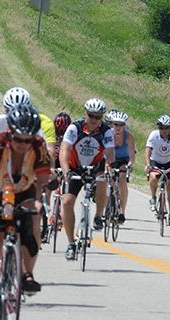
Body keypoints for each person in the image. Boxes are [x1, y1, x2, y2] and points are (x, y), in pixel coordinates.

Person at [0, 104, 51, 320]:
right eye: (18, 139)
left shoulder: (37, 146)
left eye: (27, 140)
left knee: (32, 222)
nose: (22, 144)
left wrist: (39, 199)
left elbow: (43, 177)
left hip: (25, 190)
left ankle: (27, 273)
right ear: (11, 134)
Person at [60, 98, 114, 260]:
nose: (94, 120)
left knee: (103, 179)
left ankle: (98, 216)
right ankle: (71, 244)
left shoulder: (106, 131)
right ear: (86, 114)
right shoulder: (74, 128)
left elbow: (110, 153)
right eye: (91, 116)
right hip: (75, 167)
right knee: (67, 202)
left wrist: (108, 167)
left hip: (96, 166)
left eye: (98, 117)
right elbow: (64, 149)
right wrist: (65, 171)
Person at [145, 115, 170, 226]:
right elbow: (148, 151)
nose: (164, 130)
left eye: (166, 128)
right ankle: (153, 197)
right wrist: (148, 165)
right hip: (155, 161)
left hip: (169, 162)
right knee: (153, 176)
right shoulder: (153, 135)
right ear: (158, 128)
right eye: (161, 128)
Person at [105, 110, 135, 223]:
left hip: (123, 160)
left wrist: (130, 165)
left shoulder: (128, 136)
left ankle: (122, 212)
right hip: (111, 159)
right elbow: (104, 153)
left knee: (122, 180)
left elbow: (132, 154)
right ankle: (107, 207)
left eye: (121, 125)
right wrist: (106, 167)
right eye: (116, 124)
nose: (118, 127)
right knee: (108, 182)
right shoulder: (108, 134)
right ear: (112, 124)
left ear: (124, 125)